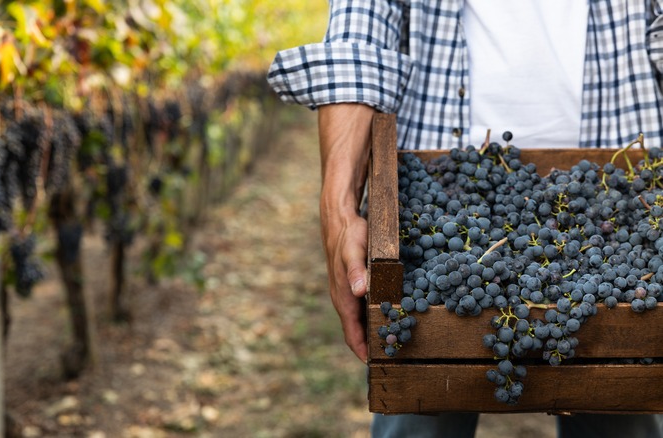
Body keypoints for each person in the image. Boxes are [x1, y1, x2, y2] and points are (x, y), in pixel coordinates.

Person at [267, 1, 663, 437]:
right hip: (435, 189)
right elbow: (359, 34)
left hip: (622, 189)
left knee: (629, 371)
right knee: (416, 382)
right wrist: (338, 209)